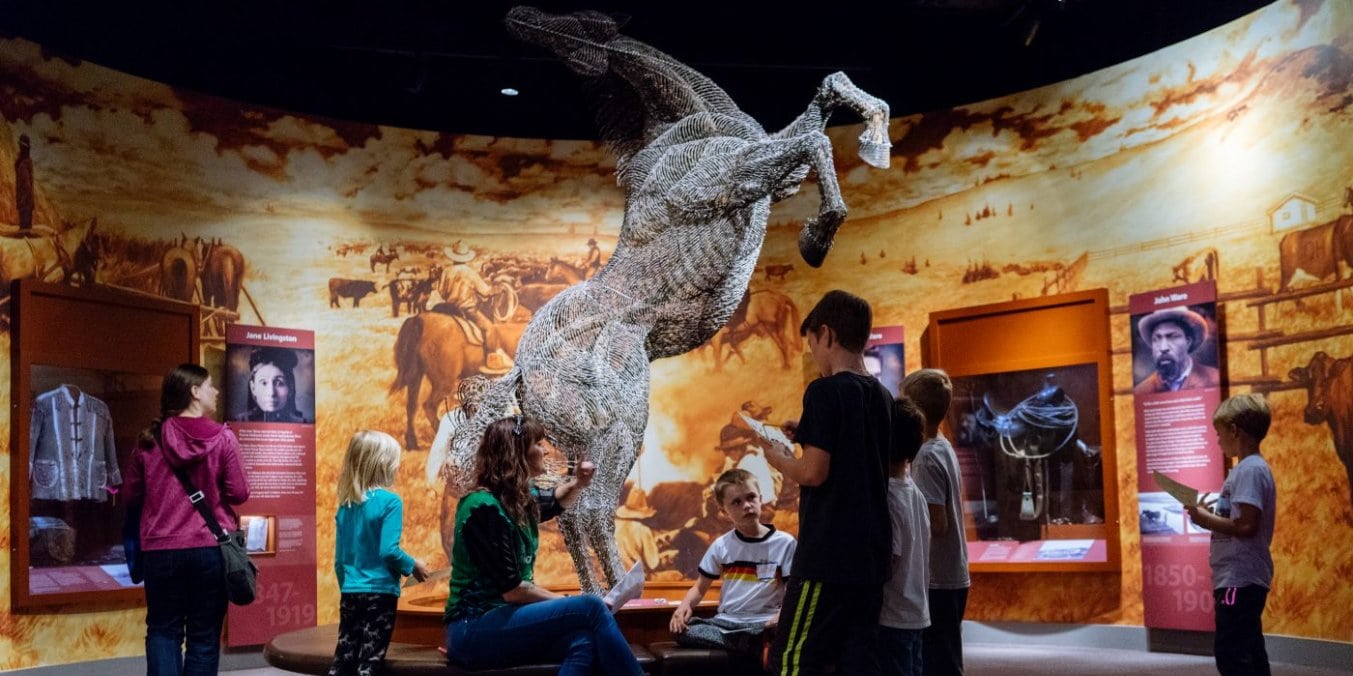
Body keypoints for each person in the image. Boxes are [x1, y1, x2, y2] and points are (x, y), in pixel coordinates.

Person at [443, 415, 642, 675]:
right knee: (591, 607)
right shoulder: (483, 507)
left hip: (503, 620)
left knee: (583, 641)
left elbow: (554, 502)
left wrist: (579, 483)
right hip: (473, 628)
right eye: (538, 443)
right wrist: (568, 603)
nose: (546, 449)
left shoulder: (516, 498)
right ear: (517, 452)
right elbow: (513, 591)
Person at [764, 289, 893, 675]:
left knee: (790, 659)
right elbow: (856, 451)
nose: (814, 355)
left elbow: (814, 472)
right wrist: (806, 431)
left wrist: (780, 459)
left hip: (828, 555)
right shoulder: (882, 395)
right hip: (871, 555)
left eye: (812, 345)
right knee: (854, 661)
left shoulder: (823, 391)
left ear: (826, 334)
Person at [122, 364, 250, 676]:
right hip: (209, 550)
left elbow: (131, 495)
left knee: (163, 631)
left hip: (160, 551)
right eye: (210, 386)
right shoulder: (223, 438)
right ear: (194, 392)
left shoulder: (148, 440)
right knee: (204, 637)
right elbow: (239, 493)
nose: (216, 391)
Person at [1184, 394, 1277, 676]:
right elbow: (1238, 518)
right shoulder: (1248, 469)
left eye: (1219, 432)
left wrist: (1204, 518)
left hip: (1240, 576)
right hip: (1240, 576)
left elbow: (1246, 526)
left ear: (1234, 430)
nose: (1217, 440)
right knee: (1248, 647)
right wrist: (1212, 514)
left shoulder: (1249, 470)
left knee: (1232, 653)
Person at [328, 430, 430, 676]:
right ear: (384, 464)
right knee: (370, 660)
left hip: (351, 592)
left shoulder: (346, 506)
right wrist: (414, 564)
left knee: (344, 656)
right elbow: (389, 550)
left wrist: (349, 587)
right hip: (380, 593)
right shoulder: (390, 502)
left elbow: (339, 562)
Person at [669, 468, 796, 659]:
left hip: (764, 622)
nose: (747, 506)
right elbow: (699, 588)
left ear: (760, 499)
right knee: (682, 631)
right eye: (736, 502)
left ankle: (750, 640)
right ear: (723, 511)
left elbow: (792, 589)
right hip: (728, 623)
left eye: (751, 497)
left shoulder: (785, 543)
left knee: (781, 631)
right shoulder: (721, 545)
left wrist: (781, 617)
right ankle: (748, 643)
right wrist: (683, 606)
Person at [902, 367, 970, 676]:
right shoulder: (941, 446)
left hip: (937, 578)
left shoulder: (926, 457)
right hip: (950, 574)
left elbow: (936, 524)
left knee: (937, 660)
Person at [878, 398, 931, 676]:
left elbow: (890, 559)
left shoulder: (887, 498)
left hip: (891, 615)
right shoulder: (915, 492)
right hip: (915, 611)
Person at [438, 240, 513, 375]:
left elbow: (441, 291)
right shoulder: (469, 272)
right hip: (466, 309)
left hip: (447, 308)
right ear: (465, 257)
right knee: (489, 328)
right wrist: (498, 289)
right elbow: (485, 291)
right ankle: (491, 360)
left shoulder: (446, 271)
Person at [1133, 307, 1221, 394]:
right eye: (1156, 339)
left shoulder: (1215, 379)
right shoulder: (1141, 391)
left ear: (1188, 342)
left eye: (1172, 337)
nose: (1163, 348)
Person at [238, 347, 310, 423]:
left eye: (279, 383)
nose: (271, 393)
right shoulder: (239, 422)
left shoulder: (302, 424)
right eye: (264, 383)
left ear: (291, 388)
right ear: (253, 388)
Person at [15, 134, 33, 232]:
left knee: (25, 230)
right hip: (25, 201)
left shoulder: (24, 163)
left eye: (21, 147)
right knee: (24, 228)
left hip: (25, 201)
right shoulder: (24, 162)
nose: (20, 148)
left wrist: (24, 200)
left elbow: (27, 185)